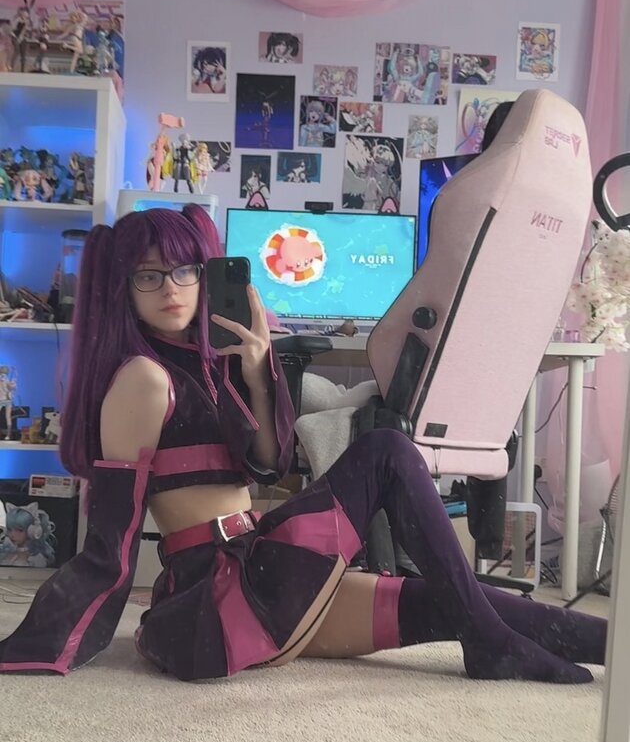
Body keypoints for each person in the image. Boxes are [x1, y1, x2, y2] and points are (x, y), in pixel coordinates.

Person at [0, 205, 606, 683]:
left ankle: (572, 644)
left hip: (262, 571)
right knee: (387, 451)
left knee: (457, 600)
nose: (172, 288)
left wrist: (258, 374)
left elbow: (267, 465)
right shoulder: (143, 377)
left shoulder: (209, 368)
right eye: (149, 275)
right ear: (123, 288)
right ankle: (488, 643)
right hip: (217, 595)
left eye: (186, 270)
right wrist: (52, 635)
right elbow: (113, 537)